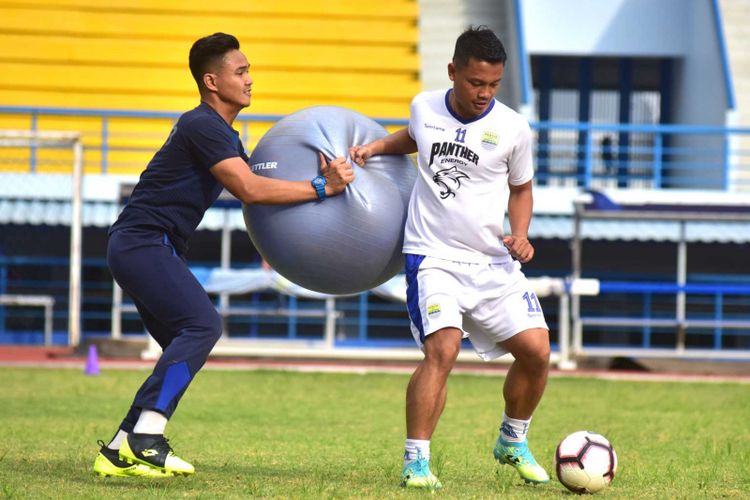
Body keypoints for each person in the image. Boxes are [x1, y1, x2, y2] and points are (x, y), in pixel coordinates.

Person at [92, 32, 354, 478]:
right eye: (241, 71)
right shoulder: (203, 126)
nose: (250, 79)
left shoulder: (223, 136)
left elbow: (264, 188)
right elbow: (249, 188)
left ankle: (119, 448)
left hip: (147, 245)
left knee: (183, 341)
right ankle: (147, 438)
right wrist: (320, 187)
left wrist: (323, 174)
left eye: (249, 70)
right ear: (212, 81)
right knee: (202, 325)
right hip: (143, 242)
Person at [349, 26, 550, 490]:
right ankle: (416, 461)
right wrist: (377, 147)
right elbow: (415, 136)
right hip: (433, 255)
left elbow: (521, 189)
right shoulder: (423, 105)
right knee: (443, 349)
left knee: (538, 352)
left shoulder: (514, 128)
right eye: (476, 82)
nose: (484, 94)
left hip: (492, 262)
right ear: (452, 72)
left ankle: (512, 439)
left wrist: (520, 233)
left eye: (494, 85)